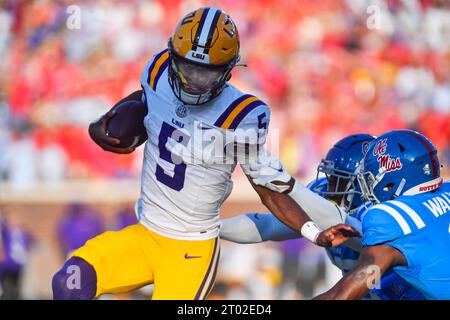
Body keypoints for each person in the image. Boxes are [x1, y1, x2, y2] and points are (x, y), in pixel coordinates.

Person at [52, 7, 357, 300]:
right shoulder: (158, 71)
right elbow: (148, 101)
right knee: (69, 283)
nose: (193, 82)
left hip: (191, 251)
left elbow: (267, 189)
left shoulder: (242, 115)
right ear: (173, 56)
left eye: (205, 74)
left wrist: (314, 233)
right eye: (187, 69)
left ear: (228, 71)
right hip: (145, 235)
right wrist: (104, 122)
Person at [221, 133, 424, 299]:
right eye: (331, 177)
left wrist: (291, 187)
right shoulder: (325, 195)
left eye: (338, 180)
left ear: (365, 182)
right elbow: (270, 226)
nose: (330, 188)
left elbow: (345, 226)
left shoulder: (382, 214)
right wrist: (210, 228)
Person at [312, 129, 450, 299]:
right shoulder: (446, 190)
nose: (366, 190)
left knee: (383, 290)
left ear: (391, 179)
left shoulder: (387, 217)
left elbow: (346, 292)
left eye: (369, 180)